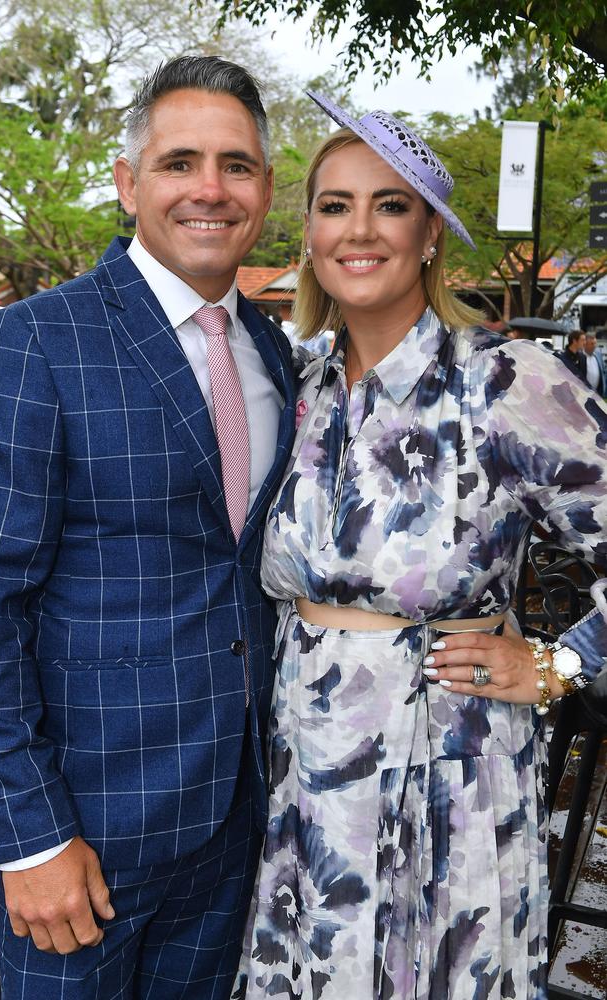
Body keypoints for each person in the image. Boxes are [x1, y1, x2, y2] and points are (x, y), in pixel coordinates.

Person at [233, 92, 607, 999]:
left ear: (431, 232)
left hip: (448, 779)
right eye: (335, 205)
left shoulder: (503, 381)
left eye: (390, 204)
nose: (360, 229)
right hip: (308, 782)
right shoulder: (302, 385)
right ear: (312, 234)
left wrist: (561, 664)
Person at [0, 55, 295, 999]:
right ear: (127, 182)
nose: (210, 190)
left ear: (265, 188)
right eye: (180, 161)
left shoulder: (277, 353)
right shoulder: (33, 342)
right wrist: (27, 838)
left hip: (237, 828)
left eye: (237, 165)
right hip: (83, 845)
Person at [584, 331, 606, 396]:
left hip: (597, 393)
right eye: (592, 343)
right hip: (584, 393)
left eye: (595, 343)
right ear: (585, 343)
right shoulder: (581, 357)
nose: (594, 346)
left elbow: (603, 372)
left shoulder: (598, 356)